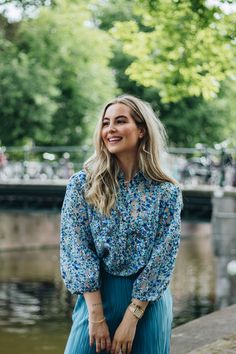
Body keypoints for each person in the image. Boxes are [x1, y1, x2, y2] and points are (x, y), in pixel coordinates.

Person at [60, 94, 183, 354]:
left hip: (148, 304)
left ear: (141, 130)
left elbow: (163, 257)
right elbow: (76, 248)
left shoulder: (167, 192)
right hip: (96, 297)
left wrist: (132, 317)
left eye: (120, 121)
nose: (110, 129)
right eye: (106, 123)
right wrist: (96, 316)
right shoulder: (82, 185)